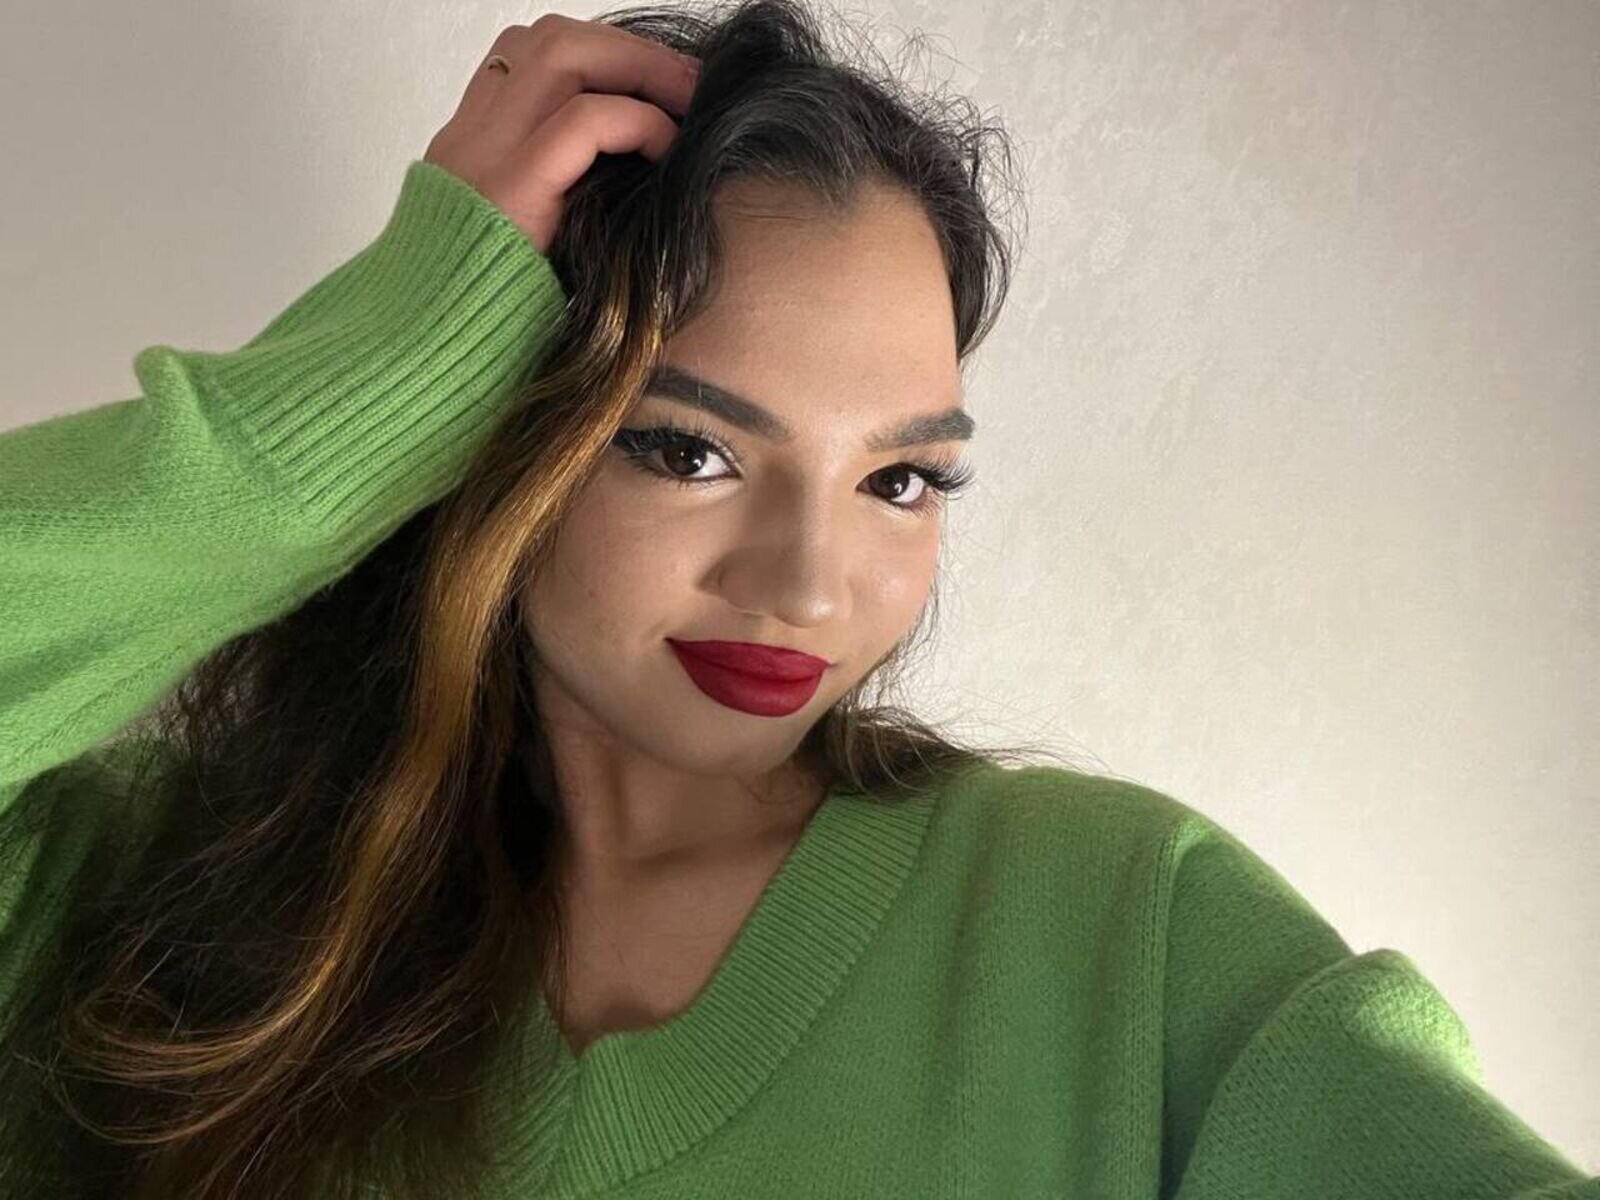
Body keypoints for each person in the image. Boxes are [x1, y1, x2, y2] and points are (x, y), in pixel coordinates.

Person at [0, 2, 1594, 1197]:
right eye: (689, 450)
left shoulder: (1131, 944)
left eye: (900, 479)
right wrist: (343, 397)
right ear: (483, 426)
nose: (811, 583)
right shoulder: (149, 907)